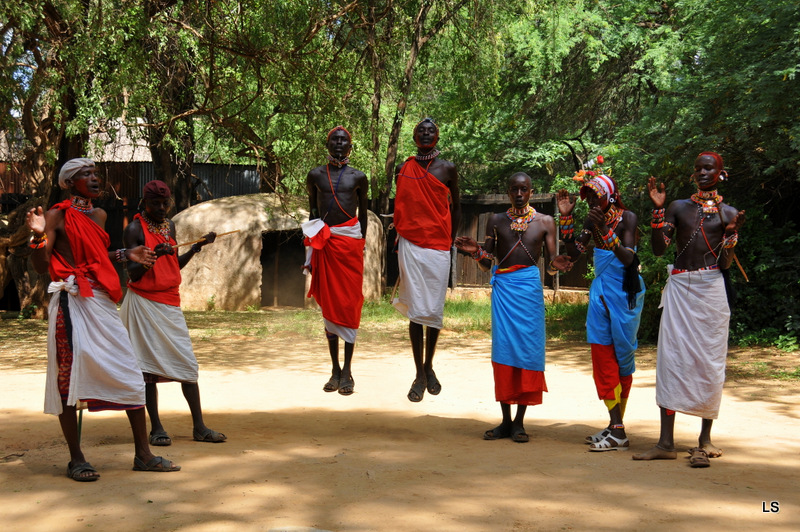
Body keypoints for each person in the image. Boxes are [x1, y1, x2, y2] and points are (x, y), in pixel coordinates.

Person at [25, 158, 180, 481]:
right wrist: (38, 237)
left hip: (102, 300)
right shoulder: (56, 215)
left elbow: (96, 258)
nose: (94, 178)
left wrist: (128, 254)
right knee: (69, 377)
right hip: (71, 300)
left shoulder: (99, 214)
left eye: (95, 173)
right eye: (86, 174)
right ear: (70, 182)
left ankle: (143, 454)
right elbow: (41, 266)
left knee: (130, 370)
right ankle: (77, 459)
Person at [633, 151, 745, 467]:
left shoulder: (729, 213)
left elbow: (725, 263)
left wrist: (731, 237)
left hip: (712, 290)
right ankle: (666, 442)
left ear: (721, 174)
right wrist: (657, 211)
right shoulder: (678, 207)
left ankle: (704, 440)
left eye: (708, 168)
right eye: (698, 168)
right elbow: (658, 249)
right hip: (680, 288)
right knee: (671, 361)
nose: (702, 172)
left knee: (710, 362)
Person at [455, 173, 570, 442]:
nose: (519, 194)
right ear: (508, 192)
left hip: (529, 292)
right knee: (504, 352)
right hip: (504, 291)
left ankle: (519, 422)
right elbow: (487, 263)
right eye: (514, 189)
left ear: (531, 191)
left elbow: (552, 264)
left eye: (524, 189)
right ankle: (505, 422)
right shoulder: (496, 220)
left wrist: (557, 265)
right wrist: (475, 252)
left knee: (528, 352)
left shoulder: (545, 222)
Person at [119, 180, 226, 446]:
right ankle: (156, 428)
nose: (162, 208)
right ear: (144, 203)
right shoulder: (134, 229)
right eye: (155, 203)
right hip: (143, 303)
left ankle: (199, 427)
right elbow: (132, 273)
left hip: (170, 303)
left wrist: (196, 247)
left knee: (187, 366)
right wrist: (152, 255)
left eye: (165, 203)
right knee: (146, 369)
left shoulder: (170, 226)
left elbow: (173, 266)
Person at [557, 173, 645, 451]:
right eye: (589, 196)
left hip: (625, 294)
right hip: (601, 293)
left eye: (597, 195)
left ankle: (617, 428)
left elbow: (629, 257)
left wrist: (604, 230)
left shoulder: (627, 218)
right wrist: (567, 218)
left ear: (609, 195)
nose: (592, 200)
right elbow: (575, 252)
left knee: (622, 357)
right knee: (601, 352)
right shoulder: (591, 219)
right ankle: (615, 427)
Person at [393, 118, 461, 402]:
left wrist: (450, 239)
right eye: (421, 129)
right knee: (415, 308)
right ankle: (419, 374)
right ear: (414, 136)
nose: (425, 133)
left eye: (431, 129)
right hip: (410, 244)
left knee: (432, 309)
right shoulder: (403, 169)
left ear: (437, 135)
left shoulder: (448, 169)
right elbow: (400, 207)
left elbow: (457, 206)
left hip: (438, 246)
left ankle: (429, 365)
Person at [303, 126, 368, 396]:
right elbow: (313, 212)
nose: (339, 143)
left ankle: (349, 371)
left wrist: (361, 245)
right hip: (326, 244)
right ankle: (334, 370)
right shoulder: (315, 175)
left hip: (350, 245)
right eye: (334, 139)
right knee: (329, 304)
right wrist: (310, 248)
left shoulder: (359, 177)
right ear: (327, 143)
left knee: (350, 304)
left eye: (343, 140)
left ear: (350, 145)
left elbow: (363, 216)